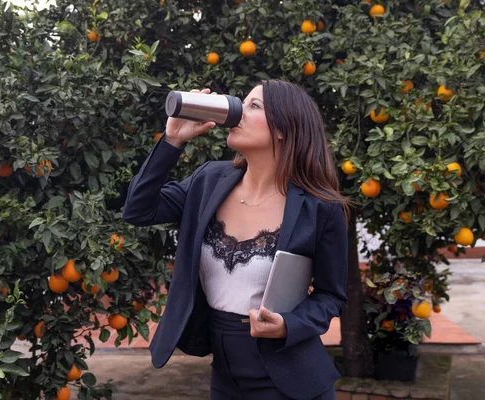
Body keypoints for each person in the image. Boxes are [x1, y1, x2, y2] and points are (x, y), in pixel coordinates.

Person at [123, 80, 351, 400]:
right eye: (242, 103)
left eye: (253, 106)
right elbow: (137, 210)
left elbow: (331, 295)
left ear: (283, 129)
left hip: (290, 380)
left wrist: (289, 324)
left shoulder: (321, 208)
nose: (237, 112)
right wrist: (172, 139)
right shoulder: (208, 180)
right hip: (225, 374)